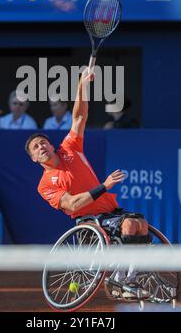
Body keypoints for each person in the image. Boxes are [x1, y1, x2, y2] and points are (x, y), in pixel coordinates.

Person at [26, 67, 149, 251]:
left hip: (110, 211)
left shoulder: (69, 147)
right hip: (89, 220)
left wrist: (82, 85)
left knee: (141, 224)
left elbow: (80, 117)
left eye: (43, 143)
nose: (41, 147)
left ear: (52, 146)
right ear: (34, 159)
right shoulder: (45, 185)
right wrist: (104, 186)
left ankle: (129, 275)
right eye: (35, 147)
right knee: (130, 225)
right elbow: (73, 204)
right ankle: (123, 274)